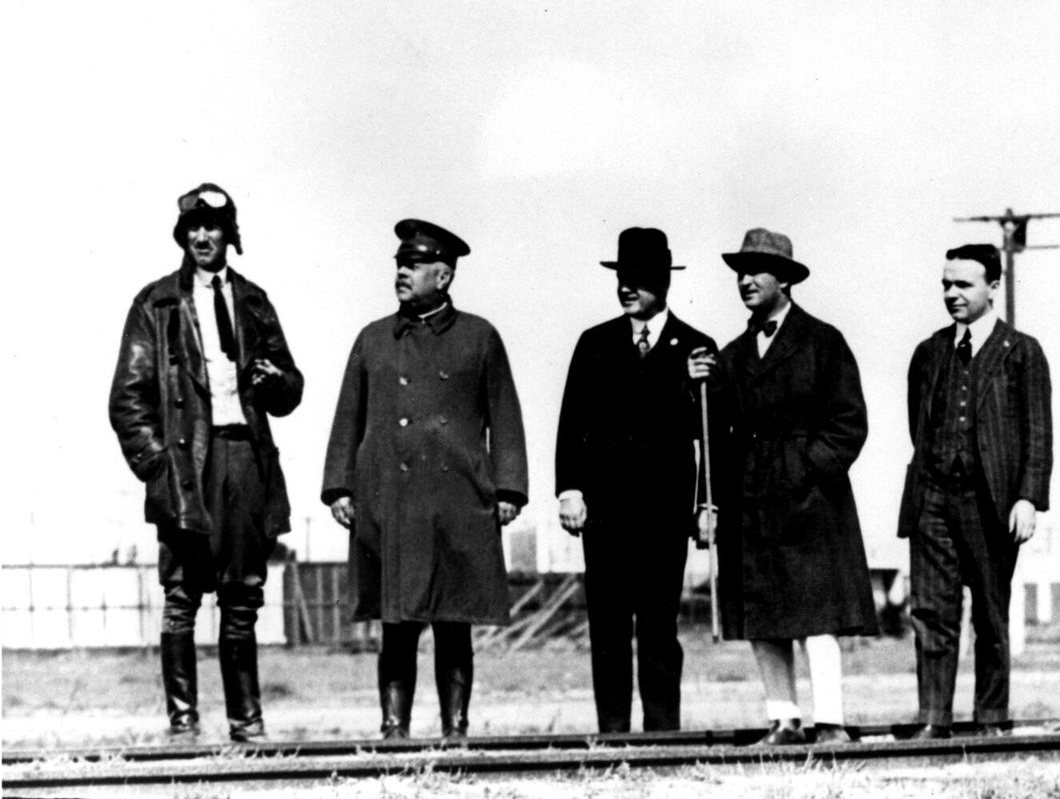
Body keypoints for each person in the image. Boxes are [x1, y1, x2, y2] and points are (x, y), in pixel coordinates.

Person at [109, 183, 303, 742]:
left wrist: (275, 381)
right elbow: (127, 398)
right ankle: (184, 725)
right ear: (181, 234)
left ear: (229, 235)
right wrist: (157, 465)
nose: (202, 236)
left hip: (243, 457)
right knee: (182, 596)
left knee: (242, 596)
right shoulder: (156, 304)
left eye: (213, 227)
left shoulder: (254, 300)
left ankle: (247, 723)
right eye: (193, 227)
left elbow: (291, 391)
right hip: (184, 467)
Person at [321, 219, 529, 740]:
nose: (401, 273)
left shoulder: (479, 336)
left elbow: (504, 415)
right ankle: (394, 730)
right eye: (399, 264)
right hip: (390, 500)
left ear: (444, 275)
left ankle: (455, 730)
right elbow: (348, 417)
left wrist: (508, 489)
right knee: (397, 622)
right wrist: (340, 486)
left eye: (413, 266)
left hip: (458, 500)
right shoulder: (372, 339)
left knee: (454, 621)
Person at [687, 228, 876, 746]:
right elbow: (712, 435)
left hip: (812, 502)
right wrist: (709, 499)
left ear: (785, 279)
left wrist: (806, 469)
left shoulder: (823, 341)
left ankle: (831, 722)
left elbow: (848, 423)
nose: (745, 281)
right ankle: (784, 719)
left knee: (817, 615)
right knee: (762, 616)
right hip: (749, 500)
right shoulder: (730, 355)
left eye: (756, 271)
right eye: (740, 273)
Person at [555, 227, 717, 734]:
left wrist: (708, 505)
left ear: (664, 280)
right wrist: (570, 488)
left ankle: (662, 735)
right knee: (606, 626)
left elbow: (711, 436)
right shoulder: (594, 343)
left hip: (666, 514)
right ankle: (613, 733)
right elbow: (571, 423)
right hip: (604, 513)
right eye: (622, 277)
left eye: (640, 278)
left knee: (658, 626)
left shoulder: (696, 348)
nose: (628, 287)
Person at [898, 243, 1053, 739]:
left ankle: (990, 720)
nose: (952, 293)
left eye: (963, 284)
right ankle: (933, 719)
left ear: (993, 287)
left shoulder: (1022, 351)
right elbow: (917, 426)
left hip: (992, 504)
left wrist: (1028, 497)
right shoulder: (929, 352)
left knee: (989, 613)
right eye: (946, 283)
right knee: (932, 612)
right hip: (932, 499)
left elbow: (1038, 432)